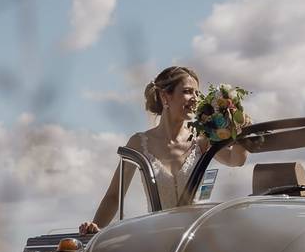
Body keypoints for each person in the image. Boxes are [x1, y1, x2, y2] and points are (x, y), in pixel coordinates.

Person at [79, 66, 247, 234]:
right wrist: (94, 229)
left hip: (196, 237)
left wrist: (239, 127)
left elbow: (236, 160)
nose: (195, 99)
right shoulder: (138, 143)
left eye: (197, 93)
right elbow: (114, 196)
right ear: (165, 96)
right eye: (188, 92)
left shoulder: (202, 139)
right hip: (157, 239)